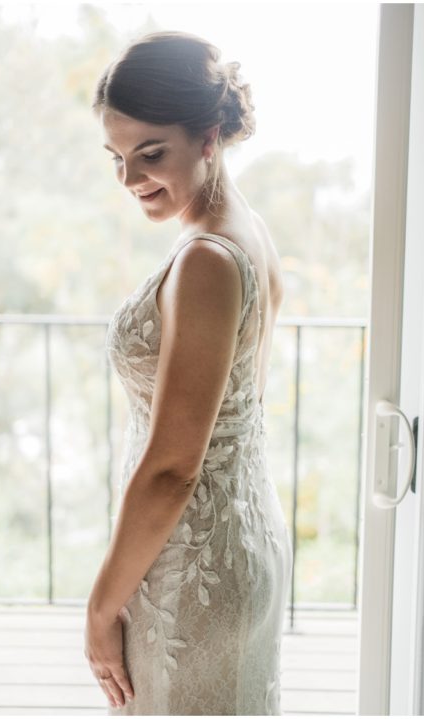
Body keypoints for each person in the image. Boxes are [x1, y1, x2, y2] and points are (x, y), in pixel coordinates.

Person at [83, 32, 290, 715]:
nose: (130, 177)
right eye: (117, 156)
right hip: (243, 534)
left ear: (209, 136)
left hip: (191, 563)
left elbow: (175, 464)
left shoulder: (205, 259)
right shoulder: (247, 230)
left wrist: (100, 609)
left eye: (150, 153)